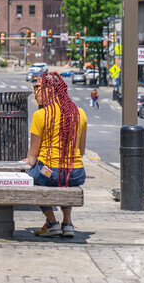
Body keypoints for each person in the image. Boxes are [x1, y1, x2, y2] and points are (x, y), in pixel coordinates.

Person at [25, 72, 87, 238]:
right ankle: (67, 222)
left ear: (50, 90)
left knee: (32, 177)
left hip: (50, 172)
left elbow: (32, 157)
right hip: (77, 172)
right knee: (65, 177)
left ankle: (52, 222)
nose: (34, 91)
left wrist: (30, 162)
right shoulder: (80, 113)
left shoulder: (40, 115)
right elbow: (82, 150)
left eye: (37, 87)